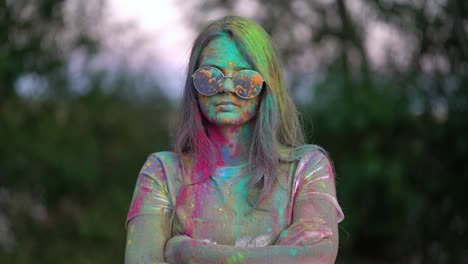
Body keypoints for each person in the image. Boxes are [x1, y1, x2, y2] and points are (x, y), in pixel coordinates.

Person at [124, 16, 344, 264]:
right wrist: (276, 255)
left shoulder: (306, 168)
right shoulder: (163, 172)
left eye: (244, 78)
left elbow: (317, 258)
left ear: (266, 85)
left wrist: (191, 253)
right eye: (211, 76)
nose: (227, 87)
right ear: (193, 84)